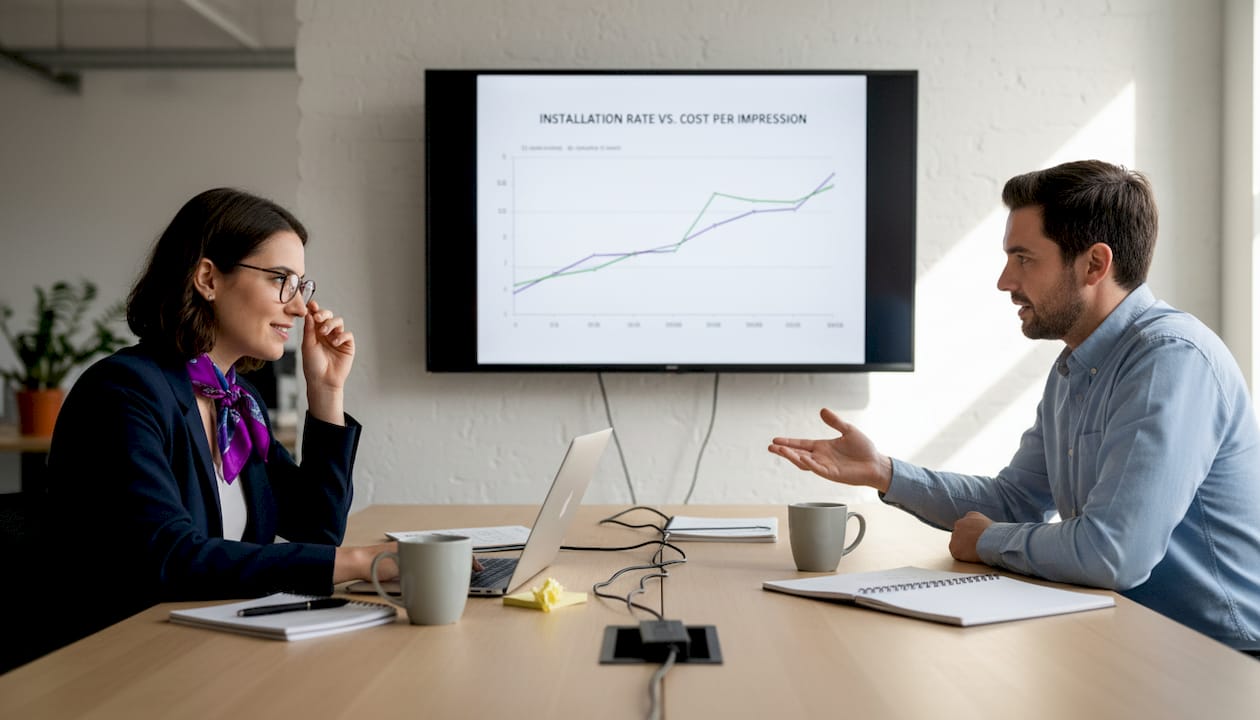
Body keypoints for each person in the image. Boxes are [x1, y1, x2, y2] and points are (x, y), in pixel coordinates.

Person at [769, 160, 1260, 654]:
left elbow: (1114, 554)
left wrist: (988, 541)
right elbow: (1013, 501)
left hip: (1219, 659)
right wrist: (885, 472)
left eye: (1023, 258)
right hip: (1129, 641)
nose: (1005, 281)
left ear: (1094, 264)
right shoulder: (1075, 366)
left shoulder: (1170, 360)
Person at [36, 188, 402, 654]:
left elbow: (317, 529)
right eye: (280, 279)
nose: (297, 306)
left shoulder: (238, 400)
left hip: (208, 647)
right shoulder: (124, 392)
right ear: (208, 278)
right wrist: (359, 562)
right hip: (122, 658)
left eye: (301, 284)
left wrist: (326, 392)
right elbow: (170, 558)